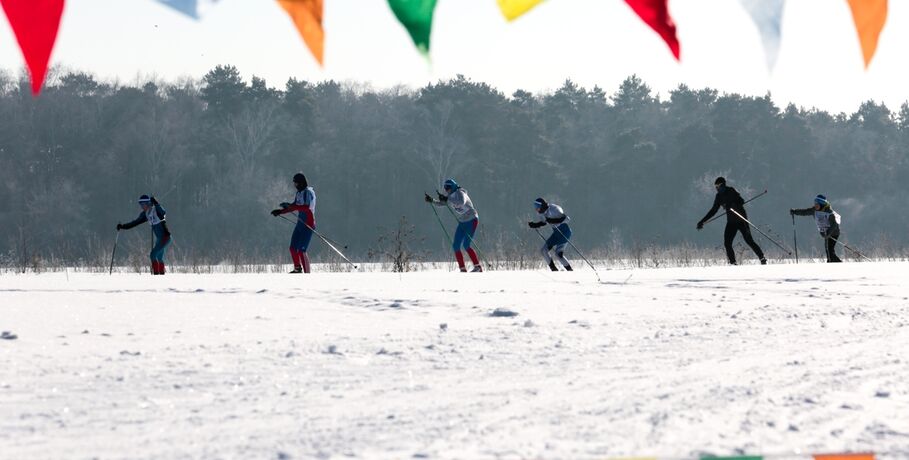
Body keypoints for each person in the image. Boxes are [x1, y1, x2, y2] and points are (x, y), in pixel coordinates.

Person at [696, 177, 767, 265]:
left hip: (741, 219)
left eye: (718, 186)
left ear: (723, 185)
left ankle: (762, 258)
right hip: (731, 222)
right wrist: (702, 221)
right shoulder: (718, 196)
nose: (716, 188)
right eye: (715, 186)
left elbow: (741, 201)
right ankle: (733, 263)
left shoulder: (731, 191)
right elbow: (713, 211)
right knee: (727, 243)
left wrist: (732, 204)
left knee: (749, 240)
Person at [425, 179, 483, 272]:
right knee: (456, 245)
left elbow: (460, 202)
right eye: (445, 188)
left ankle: (478, 267)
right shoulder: (450, 196)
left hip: (472, 219)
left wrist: (447, 199)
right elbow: (443, 203)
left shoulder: (460, 193)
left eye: (448, 187)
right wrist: (432, 200)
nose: (447, 189)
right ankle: (462, 269)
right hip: (463, 221)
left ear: (453, 186)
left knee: (466, 245)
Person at [271, 173, 316, 274]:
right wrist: (281, 211)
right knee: (292, 248)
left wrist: (292, 207)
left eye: (296, 183)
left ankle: (307, 275)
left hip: (308, 224)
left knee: (301, 251)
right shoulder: (299, 193)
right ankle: (297, 269)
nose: (294, 185)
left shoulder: (307, 192)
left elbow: (306, 207)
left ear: (301, 182)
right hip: (300, 224)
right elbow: (294, 206)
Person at [117, 195, 172, 275]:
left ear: (149, 203)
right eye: (140, 205)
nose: (142, 207)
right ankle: (161, 276)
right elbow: (135, 223)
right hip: (159, 239)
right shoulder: (145, 214)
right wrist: (123, 226)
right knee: (159, 257)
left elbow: (163, 212)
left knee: (153, 255)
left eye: (143, 204)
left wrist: (156, 203)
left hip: (165, 238)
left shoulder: (156, 210)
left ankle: (156, 275)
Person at [790, 194, 842, 263]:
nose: (815, 205)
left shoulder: (829, 212)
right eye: (815, 204)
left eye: (817, 204)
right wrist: (795, 211)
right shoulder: (814, 210)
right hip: (825, 232)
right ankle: (830, 261)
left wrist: (828, 234)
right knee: (828, 250)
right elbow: (805, 212)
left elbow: (834, 225)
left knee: (829, 249)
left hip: (833, 232)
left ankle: (836, 263)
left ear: (822, 204)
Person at [528, 198, 573, 271]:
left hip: (564, 231)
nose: (536, 209)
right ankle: (554, 270)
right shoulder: (541, 213)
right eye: (535, 206)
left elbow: (566, 219)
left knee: (558, 254)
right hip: (556, 232)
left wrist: (553, 221)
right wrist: (535, 225)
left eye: (537, 206)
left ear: (542, 205)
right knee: (544, 250)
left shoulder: (554, 209)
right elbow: (544, 222)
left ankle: (570, 271)